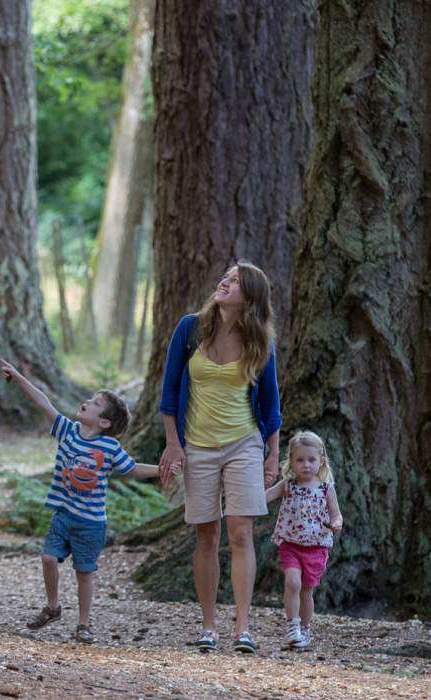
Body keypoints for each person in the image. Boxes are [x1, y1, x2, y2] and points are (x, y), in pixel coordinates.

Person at [0, 359, 170, 644]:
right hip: (64, 514)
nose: (86, 402)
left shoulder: (110, 447)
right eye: (89, 400)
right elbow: (44, 402)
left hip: (91, 524)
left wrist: (163, 470)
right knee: (47, 558)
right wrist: (18, 377)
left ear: (104, 422)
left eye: (94, 403)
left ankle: (83, 624)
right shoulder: (66, 430)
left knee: (84, 573)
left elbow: (132, 469)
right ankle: (52, 608)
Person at [158, 260, 282, 653]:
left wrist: (271, 456)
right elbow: (168, 394)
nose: (223, 282)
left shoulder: (259, 340)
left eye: (234, 280)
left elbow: (271, 404)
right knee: (206, 534)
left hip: (244, 443)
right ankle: (209, 625)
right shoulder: (190, 328)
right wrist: (173, 443)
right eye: (224, 277)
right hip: (197, 445)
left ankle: (243, 627)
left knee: (241, 533)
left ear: (250, 296)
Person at [266, 431, 343, 649]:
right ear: (291, 461)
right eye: (300, 460)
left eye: (311, 460)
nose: (306, 465)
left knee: (307, 590)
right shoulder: (287, 485)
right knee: (292, 582)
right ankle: (293, 627)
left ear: (321, 461)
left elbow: (336, 514)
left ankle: (306, 629)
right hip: (290, 544)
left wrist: (337, 523)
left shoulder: (326, 488)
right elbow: (265, 497)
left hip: (316, 547)